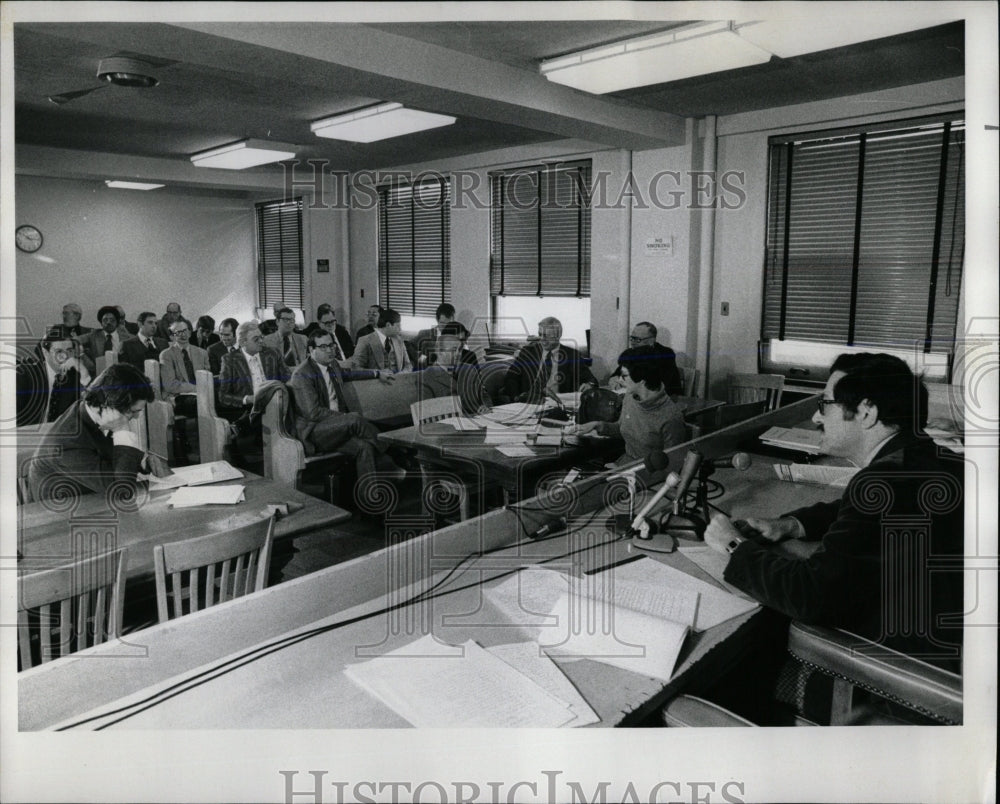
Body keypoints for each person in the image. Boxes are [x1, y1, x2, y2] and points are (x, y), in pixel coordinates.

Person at [703, 352, 964, 675]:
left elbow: (812, 597)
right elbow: (856, 511)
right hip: (951, 637)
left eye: (825, 404)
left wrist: (734, 547)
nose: (816, 417)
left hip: (911, 665)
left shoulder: (882, 483)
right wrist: (791, 524)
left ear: (867, 412)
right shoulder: (935, 457)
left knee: (753, 653)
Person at [26, 363, 169, 503]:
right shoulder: (67, 443)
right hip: (57, 518)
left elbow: (109, 460)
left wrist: (143, 462)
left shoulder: (89, 412)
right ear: (109, 406)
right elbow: (122, 492)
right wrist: (121, 430)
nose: (136, 417)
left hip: (92, 500)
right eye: (132, 412)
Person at [288, 331, 403, 490]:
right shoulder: (302, 374)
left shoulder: (333, 364)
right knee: (355, 418)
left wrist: (377, 373)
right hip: (314, 433)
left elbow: (349, 373)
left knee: (365, 447)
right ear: (311, 350)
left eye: (331, 345)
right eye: (323, 347)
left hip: (338, 427)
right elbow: (313, 413)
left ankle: (369, 503)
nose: (329, 350)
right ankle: (393, 453)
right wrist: (344, 418)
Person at [575, 345, 685, 469]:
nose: (619, 380)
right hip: (625, 464)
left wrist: (624, 472)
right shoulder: (631, 397)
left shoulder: (671, 417)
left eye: (624, 376)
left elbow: (672, 466)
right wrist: (598, 425)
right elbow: (624, 428)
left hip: (649, 476)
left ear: (642, 380)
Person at [502, 316, 596, 404]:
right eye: (540, 335)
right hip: (530, 402)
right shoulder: (528, 352)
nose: (542, 339)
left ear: (558, 336)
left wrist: (589, 385)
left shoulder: (571, 355)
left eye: (546, 336)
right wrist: (516, 397)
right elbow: (511, 377)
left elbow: (591, 379)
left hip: (556, 403)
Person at [16, 328, 92, 426]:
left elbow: (92, 411)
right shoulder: (25, 374)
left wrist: (84, 374)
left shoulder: (74, 375)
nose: (65, 356)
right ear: (45, 353)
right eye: (59, 351)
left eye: (69, 350)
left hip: (58, 436)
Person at [416, 322, 491, 415]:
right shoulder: (426, 378)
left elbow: (484, 395)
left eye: (459, 349)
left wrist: (485, 407)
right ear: (439, 352)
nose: (458, 354)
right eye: (453, 350)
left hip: (479, 421)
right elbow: (429, 413)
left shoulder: (470, 369)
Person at [607, 322, 682, 396]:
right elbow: (615, 376)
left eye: (637, 339)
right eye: (632, 338)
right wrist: (617, 385)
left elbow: (659, 386)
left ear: (651, 341)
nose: (632, 343)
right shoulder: (629, 352)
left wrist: (628, 387)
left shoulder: (665, 354)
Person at [159, 320, 210, 417]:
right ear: (172, 336)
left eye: (185, 331)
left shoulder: (202, 353)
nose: (183, 335)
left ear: (190, 332)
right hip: (178, 396)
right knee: (201, 403)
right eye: (178, 332)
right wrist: (196, 389)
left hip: (201, 394)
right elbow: (170, 385)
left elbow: (207, 377)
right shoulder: (166, 355)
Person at [352, 308, 414, 374]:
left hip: (398, 381)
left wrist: (402, 374)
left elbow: (408, 365)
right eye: (398, 326)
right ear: (388, 325)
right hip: (376, 382)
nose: (400, 329)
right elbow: (355, 369)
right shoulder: (365, 341)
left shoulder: (399, 340)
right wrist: (378, 373)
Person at [79, 306, 134, 374]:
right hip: (99, 374)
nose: (108, 322)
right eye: (105, 320)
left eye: (112, 320)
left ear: (117, 322)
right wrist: (81, 352)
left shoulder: (128, 337)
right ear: (101, 322)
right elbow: (75, 340)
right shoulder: (94, 335)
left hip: (122, 374)